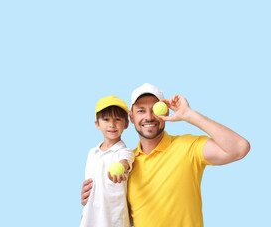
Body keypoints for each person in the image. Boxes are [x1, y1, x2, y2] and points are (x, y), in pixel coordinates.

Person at [81, 84, 250, 227]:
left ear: (166, 113)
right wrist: (93, 198)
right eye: (141, 111)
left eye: (154, 109)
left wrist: (188, 115)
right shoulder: (126, 162)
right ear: (131, 118)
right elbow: (119, 211)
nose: (148, 117)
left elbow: (239, 148)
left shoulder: (188, 147)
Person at [80, 95, 135, 227]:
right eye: (106, 119)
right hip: (90, 219)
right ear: (97, 124)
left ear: (126, 124)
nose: (112, 124)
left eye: (117, 119)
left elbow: (125, 161)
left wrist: (122, 166)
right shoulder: (92, 153)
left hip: (115, 220)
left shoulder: (125, 152)